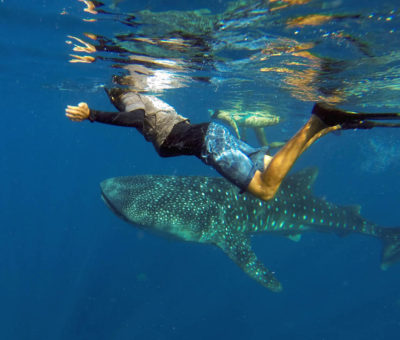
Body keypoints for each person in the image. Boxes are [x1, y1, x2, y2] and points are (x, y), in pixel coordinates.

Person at [66, 88, 400, 201]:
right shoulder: (147, 93)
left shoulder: (129, 95)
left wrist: (93, 114)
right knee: (270, 165)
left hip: (209, 142)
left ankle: (317, 121)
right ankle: (329, 125)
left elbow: (135, 119)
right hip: (213, 134)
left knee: (265, 190)